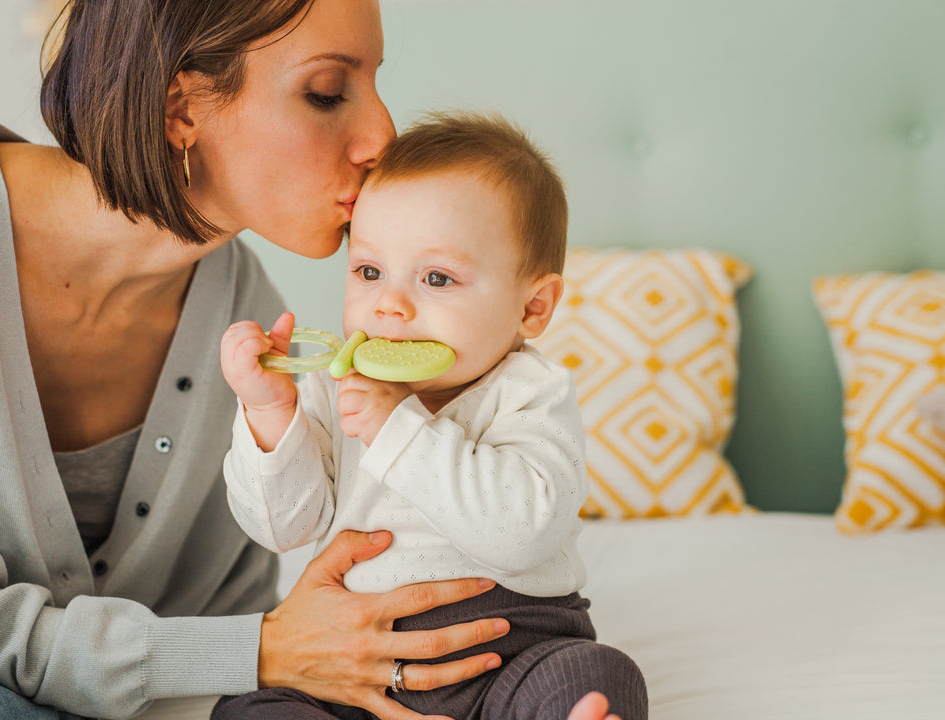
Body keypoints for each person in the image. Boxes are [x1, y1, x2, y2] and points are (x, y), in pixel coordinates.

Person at [0, 2, 554, 719]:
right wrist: (261, 648)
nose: (383, 134)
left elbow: (234, 604)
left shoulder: (246, 313)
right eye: (326, 92)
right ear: (179, 107)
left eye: (375, 84)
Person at [216, 112, 648, 720]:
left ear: (532, 307)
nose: (389, 305)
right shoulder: (337, 385)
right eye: (369, 272)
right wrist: (269, 413)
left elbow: (522, 532)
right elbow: (282, 527)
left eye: (437, 278)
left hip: (512, 649)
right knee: (246, 709)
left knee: (598, 675)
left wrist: (399, 429)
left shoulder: (530, 391)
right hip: (351, 659)